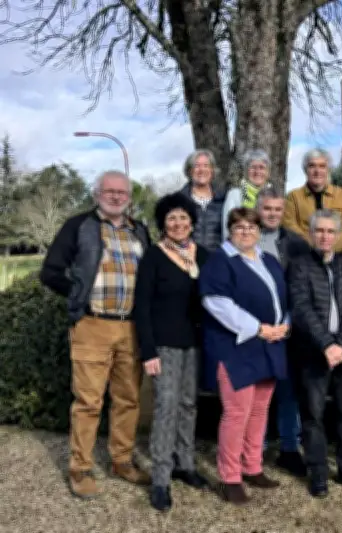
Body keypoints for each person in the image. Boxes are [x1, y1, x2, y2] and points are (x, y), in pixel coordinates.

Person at [39, 170, 152, 499]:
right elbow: (50, 271)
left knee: (128, 399)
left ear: (129, 196)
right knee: (88, 401)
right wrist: (77, 295)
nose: (116, 196)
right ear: (97, 193)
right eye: (109, 190)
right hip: (93, 325)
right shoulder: (79, 226)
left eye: (122, 191)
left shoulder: (138, 230)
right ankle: (80, 467)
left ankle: (121, 460)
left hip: (131, 327)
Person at [199, 207, 290, 505]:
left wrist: (283, 325)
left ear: (259, 231)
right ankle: (230, 476)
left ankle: (252, 466)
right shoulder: (220, 262)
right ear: (229, 230)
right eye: (239, 227)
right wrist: (258, 328)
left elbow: (283, 298)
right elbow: (216, 303)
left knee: (260, 409)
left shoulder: (269, 260)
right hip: (236, 346)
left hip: (269, 344)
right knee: (237, 412)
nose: (246, 232)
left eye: (251, 227)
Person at [133, 193, 210, 511]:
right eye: (171, 219)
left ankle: (185, 463)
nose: (178, 224)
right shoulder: (154, 256)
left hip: (195, 343)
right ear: (164, 224)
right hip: (164, 344)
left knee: (189, 404)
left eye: (183, 218)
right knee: (166, 406)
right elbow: (143, 306)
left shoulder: (202, 256)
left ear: (192, 222)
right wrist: (148, 350)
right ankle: (161, 478)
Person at [288, 209, 342, 498]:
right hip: (313, 353)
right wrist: (326, 345)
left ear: (338, 236)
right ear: (311, 234)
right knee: (313, 415)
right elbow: (302, 309)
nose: (325, 236)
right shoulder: (299, 267)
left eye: (330, 231)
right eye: (319, 231)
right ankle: (319, 473)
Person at [256, 187, 309, 477]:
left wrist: (288, 323)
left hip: (288, 328)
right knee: (260, 389)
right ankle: (257, 447)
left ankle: (290, 447)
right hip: (257, 329)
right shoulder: (245, 239)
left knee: (288, 390)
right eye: (267, 209)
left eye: (277, 209)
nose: (273, 214)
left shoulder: (296, 244)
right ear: (259, 210)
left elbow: (301, 287)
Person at [283, 148, 342, 253]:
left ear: (328, 170)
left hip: (337, 256)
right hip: (305, 255)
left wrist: (330, 247)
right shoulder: (293, 197)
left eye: (322, 166)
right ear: (305, 170)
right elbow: (290, 226)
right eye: (312, 166)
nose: (317, 171)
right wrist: (314, 246)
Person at [179, 149, 226, 251]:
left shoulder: (223, 200)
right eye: (197, 166)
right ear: (190, 170)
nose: (201, 170)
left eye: (206, 165)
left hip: (218, 261)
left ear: (212, 170)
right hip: (188, 262)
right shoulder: (179, 201)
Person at [221, 149, 271, 241]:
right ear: (246, 171)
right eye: (253, 167)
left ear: (268, 172)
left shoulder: (274, 196)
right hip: (240, 247)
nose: (257, 172)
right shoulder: (235, 195)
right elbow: (226, 227)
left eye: (262, 167)